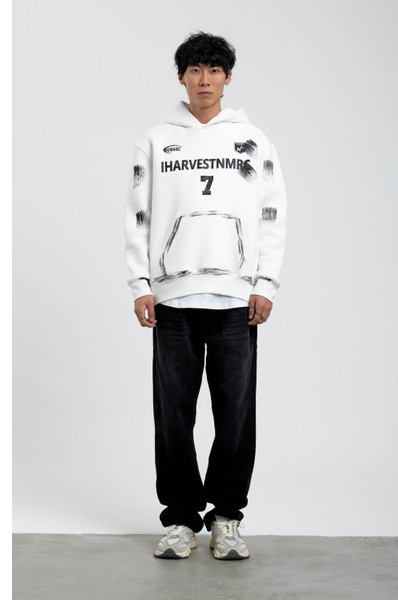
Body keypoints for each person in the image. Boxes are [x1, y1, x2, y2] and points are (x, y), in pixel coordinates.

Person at [124, 31, 287, 560]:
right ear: (181, 77)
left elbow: (271, 213)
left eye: (214, 70)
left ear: (227, 78)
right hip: (173, 301)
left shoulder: (253, 140)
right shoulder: (155, 140)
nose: (204, 80)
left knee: (235, 414)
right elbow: (139, 214)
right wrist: (140, 284)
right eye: (195, 70)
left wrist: (265, 283)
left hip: (235, 301)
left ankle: (227, 518)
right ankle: (179, 520)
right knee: (173, 415)